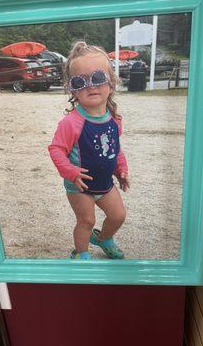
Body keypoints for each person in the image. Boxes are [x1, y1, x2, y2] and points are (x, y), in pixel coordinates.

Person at [48, 41, 130, 260]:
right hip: (80, 185)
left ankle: (103, 238)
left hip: (105, 182)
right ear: (72, 89)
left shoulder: (114, 119)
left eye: (98, 77)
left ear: (111, 84)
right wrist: (71, 172)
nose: (90, 86)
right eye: (79, 81)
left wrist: (121, 169)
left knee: (118, 215)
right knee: (86, 221)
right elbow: (56, 149)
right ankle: (80, 254)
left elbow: (115, 148)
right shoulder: (71, 122)